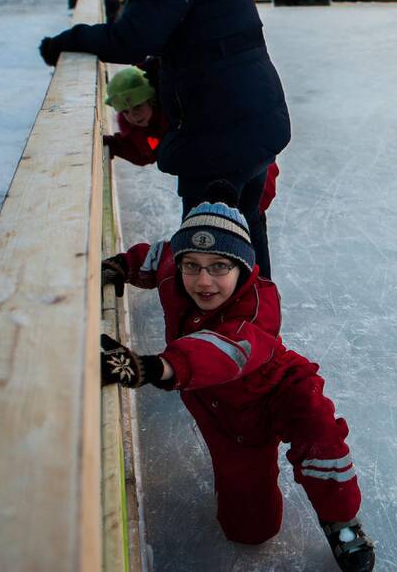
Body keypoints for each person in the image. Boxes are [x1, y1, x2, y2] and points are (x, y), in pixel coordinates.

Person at [99, 184, 375, 572]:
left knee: (321, 434)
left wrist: (155, 367)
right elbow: (156, 255)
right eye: (191, 265)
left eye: (219, 267)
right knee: (250, 531)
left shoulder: (259, 304)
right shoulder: (174, 274)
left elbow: (226, 350)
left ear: (242, 267)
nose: (203, 281)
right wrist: (122, 266)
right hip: (226, 419)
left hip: (279, 388)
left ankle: (342, 523)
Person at [37, 0, 290, 279]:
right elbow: (198, 38)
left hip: (222, 130)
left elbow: (133, 38)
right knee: (244, 230)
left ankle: (219, 332)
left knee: (208, 245)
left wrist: (66, 41)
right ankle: (253, 326)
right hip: (246, 115)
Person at [103, 66, 282, 216]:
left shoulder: (173, 117)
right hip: (219, 175)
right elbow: (145, 152)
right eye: (125, 112)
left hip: (248, 167)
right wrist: (116, 145)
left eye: (137, 107)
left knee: (246, 220)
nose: (133, 116)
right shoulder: (146, 129)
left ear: (152, 100)